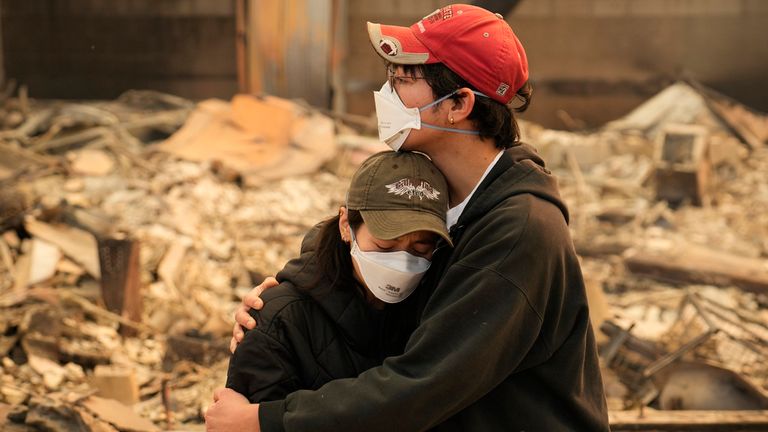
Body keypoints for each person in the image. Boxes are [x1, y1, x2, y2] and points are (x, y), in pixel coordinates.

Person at [208, 4, 609, 431]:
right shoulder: (453, 195)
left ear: (459, 103)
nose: (387, 95)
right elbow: (371, 230)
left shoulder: (517, 232)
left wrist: (266, 421)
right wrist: (282, 305)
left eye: (403, 80)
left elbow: (422, 385)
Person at [224, 150, 452, 405]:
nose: (403, 261)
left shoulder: (437, 306)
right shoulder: (281, 320)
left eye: (421, 247)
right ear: (346, 225)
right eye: (385, 244)